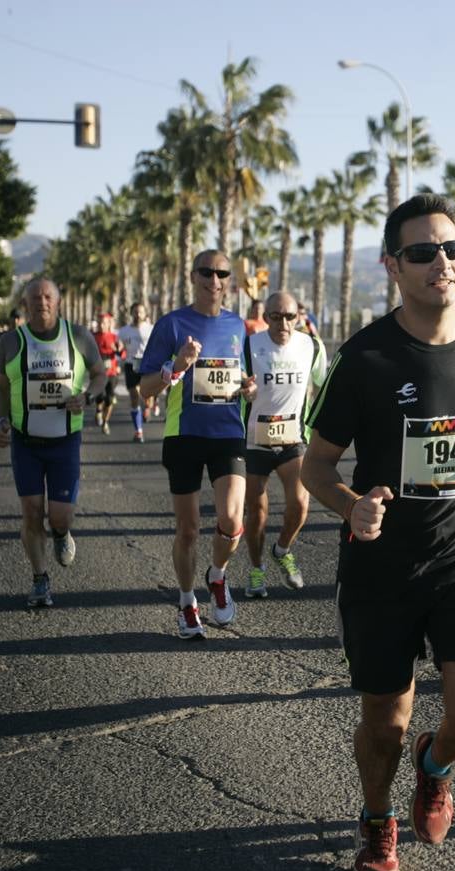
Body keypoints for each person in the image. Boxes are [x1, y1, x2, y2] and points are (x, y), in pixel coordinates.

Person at [301, 194, 455, 871]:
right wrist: (350, 506)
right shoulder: (365, 356)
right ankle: (376, 821)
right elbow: (316, 463)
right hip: (383, 565)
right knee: (386, 720)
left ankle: (435, 767)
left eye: (452, 249)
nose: (443, 263)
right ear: (393, 267)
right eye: (424, 252)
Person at [138, 250, 257, 638]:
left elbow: (245, 380)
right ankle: (187, 601)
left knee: (232, 519)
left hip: (228, 435)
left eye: (222, 273)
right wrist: (177, 367)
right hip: (184, 434)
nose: (214, 279)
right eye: (207, 272)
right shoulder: (172, 325)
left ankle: (217, 576)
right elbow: (144, 389)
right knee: (188, 530)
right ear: (194, 276)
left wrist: (250, 389)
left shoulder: (238, 326)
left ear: (229, 280)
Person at [0, 278, 107, 608]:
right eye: (34, 297)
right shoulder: (10, 342)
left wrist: (87, 396)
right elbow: (1, 389)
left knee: (61, 516)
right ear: (25, 304)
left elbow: (100, 375)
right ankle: (40, 579)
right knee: (31, 511)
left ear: (58, 302)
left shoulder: (79, 337)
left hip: (65, 441)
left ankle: (61, 533)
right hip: (25, 441)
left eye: (47, 296)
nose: (41, 302)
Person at [240, 291, 327, 599]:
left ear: (299, 317)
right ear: (265, 318)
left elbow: (321, 386)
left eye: (290, 316)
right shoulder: (249, 345)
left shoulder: (312, 346)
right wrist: (245, 392)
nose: (283, 323)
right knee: (257, 511)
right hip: (255, 440)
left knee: (301, 504)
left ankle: (283, 549)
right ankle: (255, 567)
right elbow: (238, 384)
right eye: (276, 317)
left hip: (293, 439)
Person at [117, 302, 154, 443]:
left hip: (147, 363)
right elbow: (119, 348)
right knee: (134, 395)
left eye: (140, 312)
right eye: (135, 312)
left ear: (145, 314)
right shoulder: (124, 331)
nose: (138, 315)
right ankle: (138, 431)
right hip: (131, 364)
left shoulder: (150, 329)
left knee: (147, 394)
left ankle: (148, 406)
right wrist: (119, 350)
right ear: (131, 313)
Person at [93, 312, 124, 435]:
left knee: (110, 399)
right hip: (98, 373)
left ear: (109, 324)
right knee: (99, 396)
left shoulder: (114, 337)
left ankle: (106, 422)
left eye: (104, 323)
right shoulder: (93, 337)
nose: (101, 325)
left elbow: (122, 354)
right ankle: (98, 410)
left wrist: (119, 350)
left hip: (111, 372)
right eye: (100, 322)